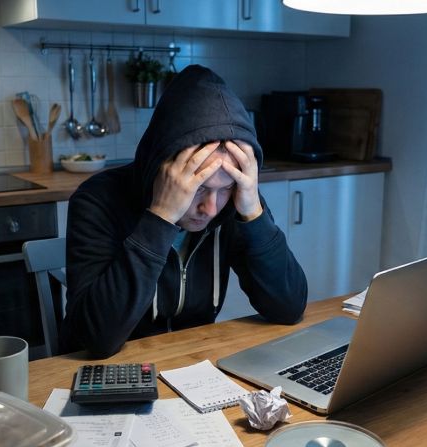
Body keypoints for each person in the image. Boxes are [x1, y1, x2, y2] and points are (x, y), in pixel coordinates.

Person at [62, 65, 307, 358]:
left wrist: (254, 213)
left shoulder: (235, 204)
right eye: (199, 187)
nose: (211, 208)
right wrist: (160, 217)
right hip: (108, 375)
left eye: (225, 188)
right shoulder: (97, 200)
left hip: (192, 364)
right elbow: (96, 338)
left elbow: (289, 308)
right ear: (162, 171)